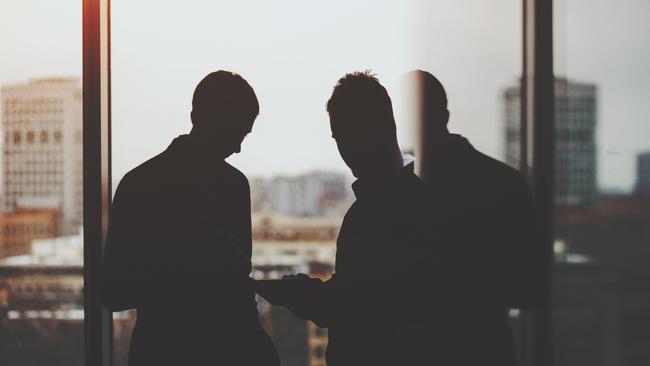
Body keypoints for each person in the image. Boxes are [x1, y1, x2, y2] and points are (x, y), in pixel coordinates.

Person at [100, 71, 279, 366]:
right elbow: (236, 279)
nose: (237, 148)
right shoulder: (233, 187)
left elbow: (113, 293)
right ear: (201, 118)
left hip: (160, 349)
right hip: (227, 349)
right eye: (235, 133)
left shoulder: (138, 184)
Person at [275, 71, 440, 366]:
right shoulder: (413, 200)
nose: (345, 150)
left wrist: (298, 294)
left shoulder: (381, 209)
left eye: (349, 135)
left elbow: (356, 303)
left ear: (381, 129)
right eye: (340, 138)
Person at [404, 70, 542, 365]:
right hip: (486, 347)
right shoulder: (505, 182)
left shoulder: (398, 193)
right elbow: (528, 289)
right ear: (445, 115)